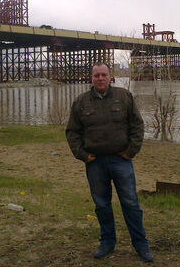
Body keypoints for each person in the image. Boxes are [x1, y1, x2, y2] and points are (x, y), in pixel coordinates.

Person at [65, 62, 153, 263]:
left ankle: (141, 245)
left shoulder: (124, 96)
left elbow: (137, 125)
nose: (100, 78)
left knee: (130, 203)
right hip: (95, 163)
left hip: (121, 160)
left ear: (110, 76)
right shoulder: (81, 102)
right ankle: (107, 243)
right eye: (96, 75)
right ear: (91, 78)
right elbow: (72, 132)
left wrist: (130, 151)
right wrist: (82, 154)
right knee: (102, 204)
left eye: (103, 75)